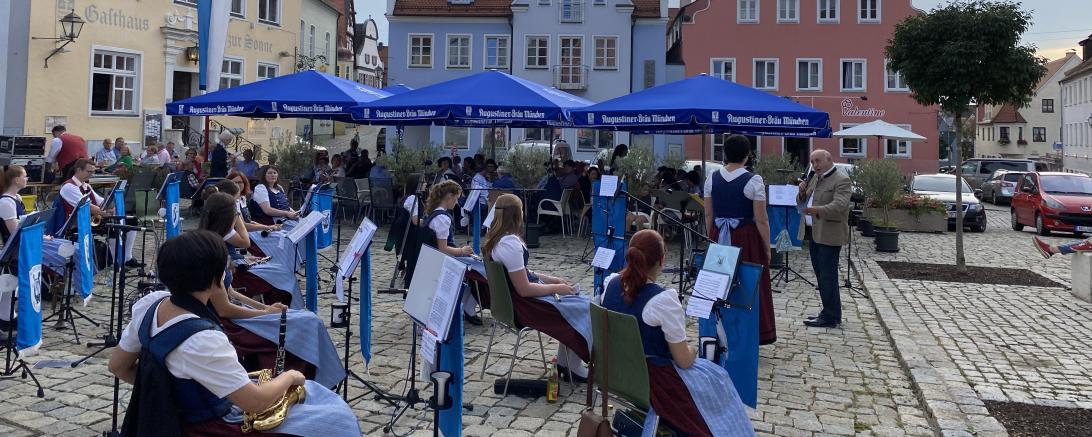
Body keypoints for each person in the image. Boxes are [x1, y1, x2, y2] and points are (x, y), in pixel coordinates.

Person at [108, 231, 360, 437]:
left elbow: (118, 365)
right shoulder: (204, 338)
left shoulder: (151, 303)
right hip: (210, 427)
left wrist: (166, 396)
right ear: (217, 279)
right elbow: (256, 403)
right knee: (335, 419)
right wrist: (291, 376)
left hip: (173, 418)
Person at [601, 230, 754, 437]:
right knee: (719, 379)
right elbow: (683, 360)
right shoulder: (662, 300)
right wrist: (692, 350)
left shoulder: (610, 284)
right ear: (661, 260)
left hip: (615, 372)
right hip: (656, 383)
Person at [484, 194, 590, 380]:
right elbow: (524, 288)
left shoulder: (497, 240)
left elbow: (522, 272)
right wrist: (556, 289)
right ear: (517, 215)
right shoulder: (510, 244)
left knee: (578, 302)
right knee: (584, 307)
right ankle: (572, 366)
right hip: (524, 308)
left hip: (516, 303)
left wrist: (551, 279)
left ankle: (567, 363)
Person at [703, 135, 775, 344]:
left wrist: (711, 237)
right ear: (747, 155)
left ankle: (718, 328)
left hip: (718, 233)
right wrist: (767, 248)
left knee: (718, 282)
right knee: (747, 284)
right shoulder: (754, 180)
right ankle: (747, 332)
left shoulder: (712, 177)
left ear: (725, 154)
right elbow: (761, 219)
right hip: (745, 238)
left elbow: (708, 214)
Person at [796, 149, 852, 329]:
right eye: (812, 162)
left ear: (829, 159)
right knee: (821, 275)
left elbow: (840, 205)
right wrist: (802, 192)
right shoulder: (814, 178)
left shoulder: (841, 179)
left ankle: (830, 316)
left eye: (818, 161)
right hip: (814, 233)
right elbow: (801, 203)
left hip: (829, 233)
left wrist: (817, 210)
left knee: (828, 276)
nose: (815, 165)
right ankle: (830, 312)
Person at [422, 180, 485, 324]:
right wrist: (462, 251)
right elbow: (443, 248)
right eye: (456, 199)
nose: (456, 203)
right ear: (449, 197)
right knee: (482, 269)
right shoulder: (443, 218)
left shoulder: (431, 213)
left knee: (477, 266)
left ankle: (466, 306)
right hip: (442, 259)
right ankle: (467, 307)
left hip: (433, 257)